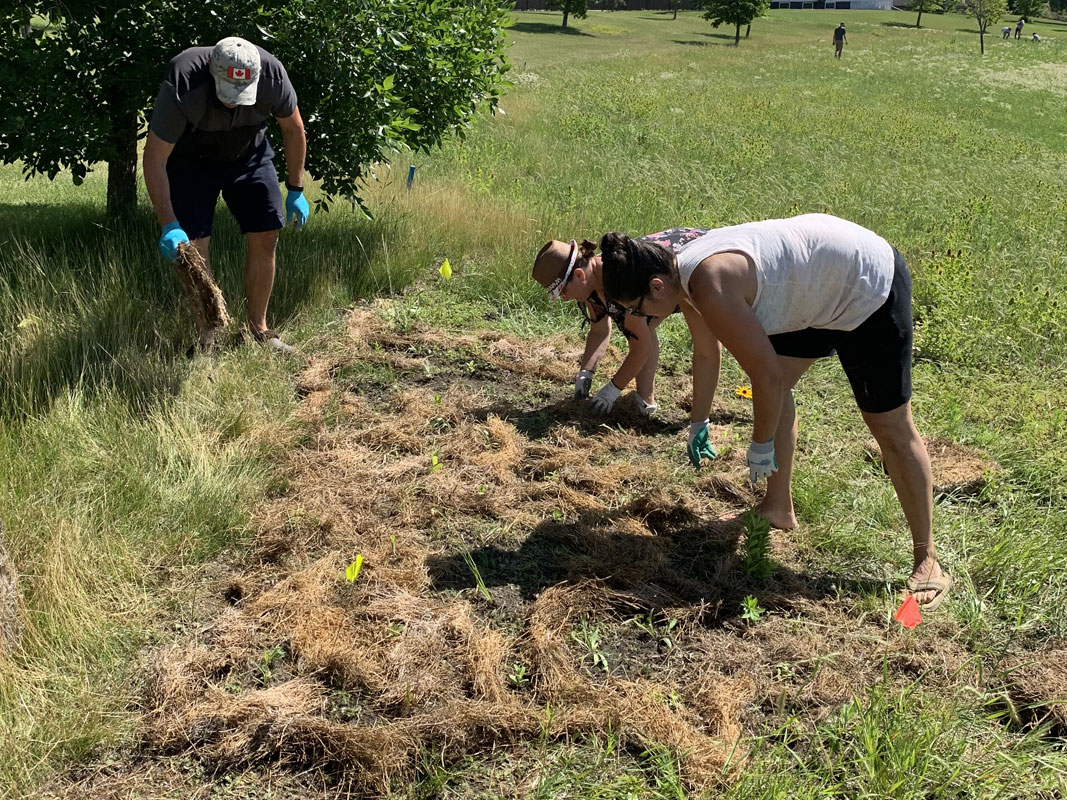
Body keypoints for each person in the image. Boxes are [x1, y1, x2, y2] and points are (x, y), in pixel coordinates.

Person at [599, 214, 952, 610]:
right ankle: (778, 508)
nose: (647, 320)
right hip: (813, 292)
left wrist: (761, 445)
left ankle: (928, 560)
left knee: (890, 428)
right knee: (779, 386)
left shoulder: (710, 284)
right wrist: (699, 422)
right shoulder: (681, 273)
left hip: (865, 287)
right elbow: (716, 358)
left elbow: (763, 378)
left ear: (656, 285)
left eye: (642, 311)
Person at [143, 36, 309, 354]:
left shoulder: (272, 75)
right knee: (193, 247)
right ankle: (211, 336)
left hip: (249, 152)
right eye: (227, 94)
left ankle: (261, 332)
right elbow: (155, 157)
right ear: (212, 72)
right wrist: (168, 222)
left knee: (266, 233)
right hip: (191, 159)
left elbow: (293, 128)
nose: (233, 102)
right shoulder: (183, 80)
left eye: (241, 95)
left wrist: (296, 189)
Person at [532, 228, 709, 420]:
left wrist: (612, 390)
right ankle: (645, 401)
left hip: (698, 263)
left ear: (579, 275)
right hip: (667, 287)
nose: (565, 299)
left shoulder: (620, 282)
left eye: (563, 292)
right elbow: (600, 330)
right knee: (644, 329)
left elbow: (641, 347)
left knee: (720, 337)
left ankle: (658, 403)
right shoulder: (590, 288)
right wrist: (586, 372)